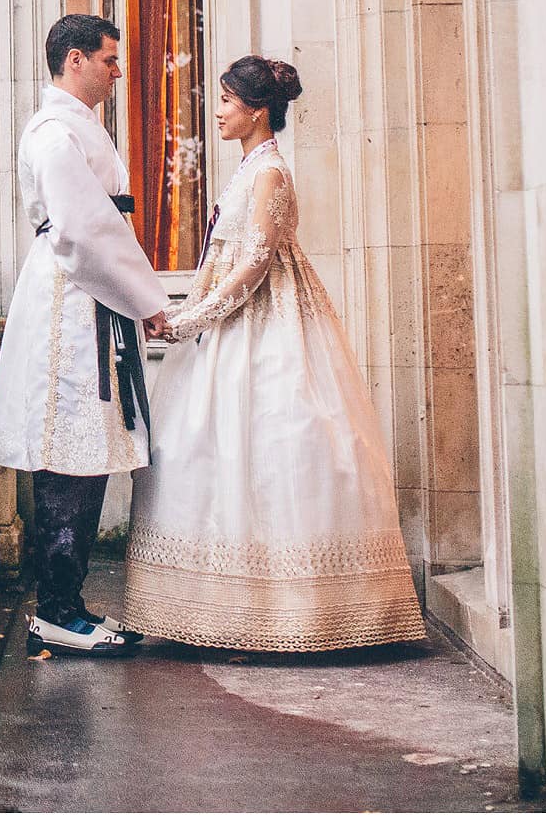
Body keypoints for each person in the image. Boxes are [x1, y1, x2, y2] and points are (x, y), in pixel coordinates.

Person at [120, 56, 426, 650]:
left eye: (228, 101)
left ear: (257, 111)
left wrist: (197, 319)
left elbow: (257, 262)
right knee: (206, 448)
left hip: (271, 321)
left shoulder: (270, 174)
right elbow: (220, 257)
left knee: (275, 445)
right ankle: (218, 606)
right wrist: (185, 314)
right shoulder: (245, 170)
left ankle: (290, 611)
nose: (218, 111)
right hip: (231, 321)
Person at [0, 14, 171, 656]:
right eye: (110, 60)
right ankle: (56, 609)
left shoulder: (81, 127)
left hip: (90, 296)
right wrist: (147, 299)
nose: (118, 72)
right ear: (75, 60)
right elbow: (84, 229)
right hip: (71, 297)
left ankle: (68, 603)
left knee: (89, 447)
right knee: (70, 446)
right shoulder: (55, 132)